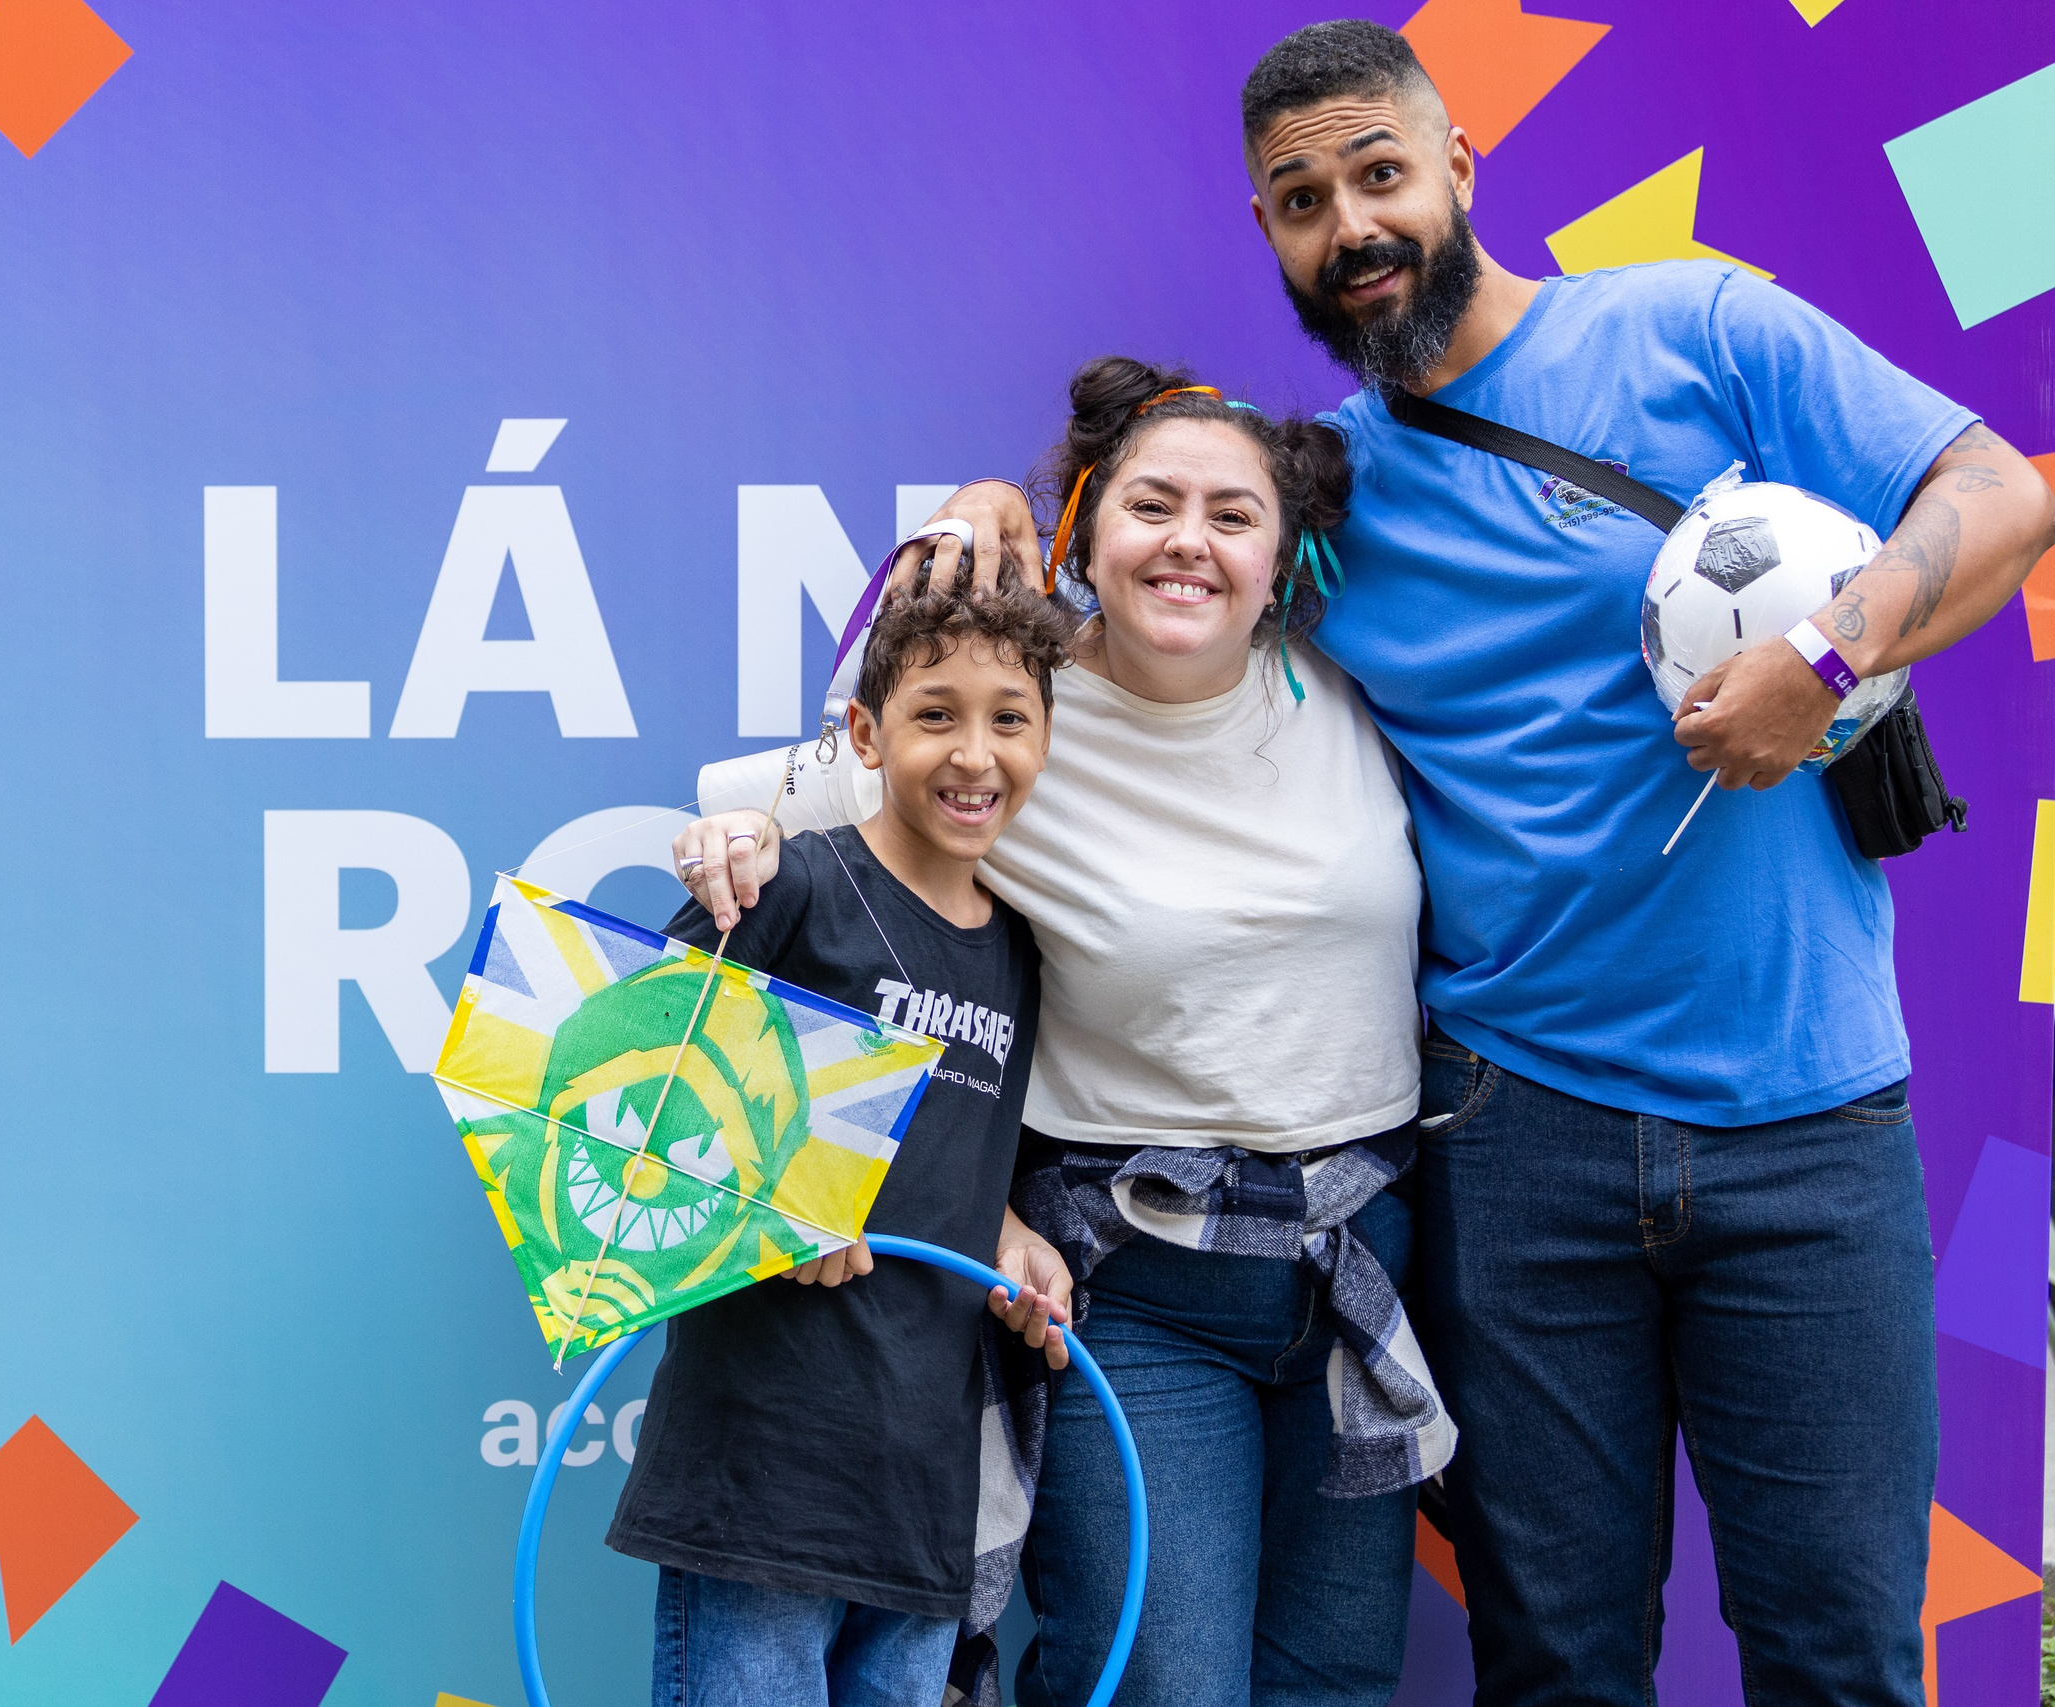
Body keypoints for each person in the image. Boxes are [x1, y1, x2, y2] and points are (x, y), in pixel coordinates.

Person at [768, 21, 2055, 1707]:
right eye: (1303, 202)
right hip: (1516, 1148)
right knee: (1557, 1661)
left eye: (1381, 174)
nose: (1353, 225)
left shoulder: (1699, 326)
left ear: (1460, 168)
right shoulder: (1318, 505)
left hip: (1809, 1126)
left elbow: (2000, 494)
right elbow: (1094, 605)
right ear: (1271, 234)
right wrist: (989, 509)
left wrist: (1823, 662)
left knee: (1840, 1659)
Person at [677, 361, 1453, 1707]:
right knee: (1164, 1682)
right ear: (1083, 535)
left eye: (1233, 513)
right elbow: (780, 831)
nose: (1190, 541)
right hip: (1140, 1274)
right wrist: (738, 834)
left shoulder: (1351, 685)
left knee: (1334, 1676)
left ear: (1286, 555)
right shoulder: (1008, 712)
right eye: (1152, 505)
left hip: (1353, 1258)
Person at [608, 581, 1073, 1707]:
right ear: (863, 733)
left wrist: (1015, 1245)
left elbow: (962, 1168)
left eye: (1009, 717)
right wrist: (767, 1202)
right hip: (761, 1477)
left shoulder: (1019, 953)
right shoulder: (791, 887)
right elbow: (610, 1091)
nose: (974, 754)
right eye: (933, 715)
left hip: (920, 1497)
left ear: (1048, 737)